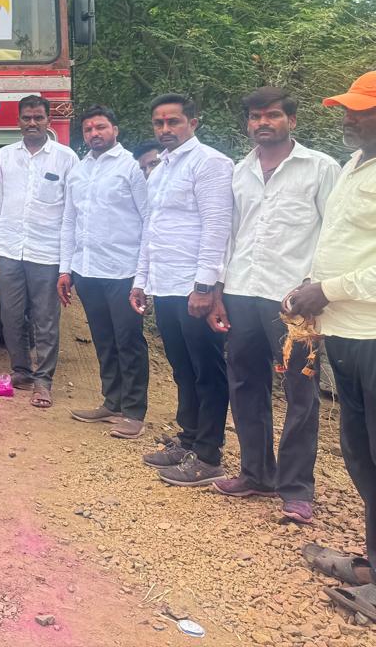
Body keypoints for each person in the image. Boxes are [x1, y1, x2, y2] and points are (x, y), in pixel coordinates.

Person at [205, 87, 337, 523]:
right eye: (256, 116)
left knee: (301, 392)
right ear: (248, 123)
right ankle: (256, 473)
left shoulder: (319, 168)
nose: (264, 122)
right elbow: (231, 235)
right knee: (245, 384)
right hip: (243, 290)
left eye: (273, 115)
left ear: (291, 121)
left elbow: (332, 235)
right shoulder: (240, 172)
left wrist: (317, 288)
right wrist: (219, 292)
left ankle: (297, 488)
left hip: (294, 299)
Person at [288, 71, 376, 619]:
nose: (347, 117)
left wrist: (328, 289)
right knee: (361, 454)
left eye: (359, 110)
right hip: (344, 331)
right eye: (348, 108)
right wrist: (309, 289)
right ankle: (371, 563)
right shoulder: (355, 163)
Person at [131, 93, 234, 486]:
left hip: (194, 287)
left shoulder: (210, 164)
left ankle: (208, 456)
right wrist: (141, 281)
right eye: (159, 123)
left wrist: (206, 286)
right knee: (182, 369)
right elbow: (151, 230)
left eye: (173, 122)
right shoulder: (160, 170)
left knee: (207, 371)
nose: (165, 130)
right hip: (166, 284)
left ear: (193, 121)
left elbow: (216, 227)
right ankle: (187, 439)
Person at [58, 105, 150, 438]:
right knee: (104, 339)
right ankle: (112, 401)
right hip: (87, 270)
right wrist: (65, 269)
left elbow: (148, 220)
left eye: (100, 127)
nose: (94, 134)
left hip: (123, 271)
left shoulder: (132, 168)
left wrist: (143, 277)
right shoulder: (79, 171)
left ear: (115, 129)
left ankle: (134, 411)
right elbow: (70, 221)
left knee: (129, 341)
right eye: (88, 129)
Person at [0, 95, 78, 408]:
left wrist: (67, 265)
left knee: (45, 319)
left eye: (38, 117)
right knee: (9, 316)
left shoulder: (66, 158)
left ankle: (43, 380)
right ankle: (21, 370)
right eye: (27, 118)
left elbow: (72, 213)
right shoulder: (5, 156)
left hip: (47, 253)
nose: (33, 123)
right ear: (19, 121)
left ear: (49, 120)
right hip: (10, 250)